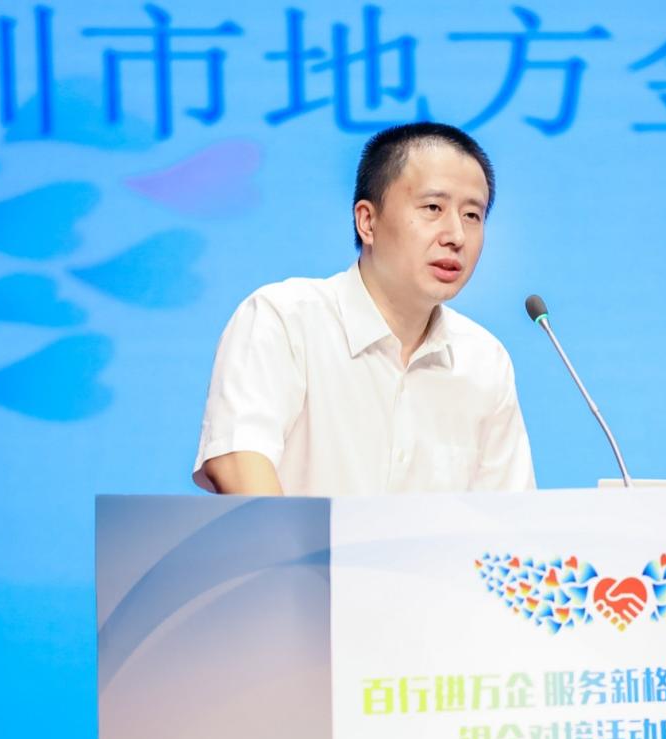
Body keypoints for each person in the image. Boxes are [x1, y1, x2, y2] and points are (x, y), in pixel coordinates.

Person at [193, 121, 535, 496]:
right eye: (433, 207)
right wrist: (293, 538)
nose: (455, 236)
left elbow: (509, 514)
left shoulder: (484, 360)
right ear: (367, 221)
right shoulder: (284, 319)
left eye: (472, 215)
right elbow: (237, 460)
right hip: (294, 538)